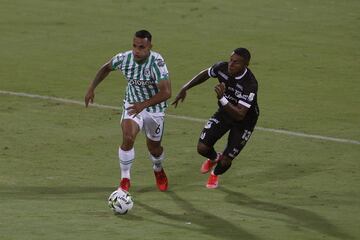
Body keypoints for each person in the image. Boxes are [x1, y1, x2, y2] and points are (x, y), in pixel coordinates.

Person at [85, 30, 171, 192]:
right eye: (134, 46)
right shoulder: (124, 59)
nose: (137, 50)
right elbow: (106, 68)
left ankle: (158, 169)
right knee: (128, 137)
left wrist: (143, 105)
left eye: (141, 47)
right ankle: (125, 179)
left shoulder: (156, 62)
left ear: (150, 47)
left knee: (154, 148)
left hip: (154, 110)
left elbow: (166, 92)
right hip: (132, 105)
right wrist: (91, 88)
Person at [172, 48, 259, 189]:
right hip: (225, 113)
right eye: (231, 60)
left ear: (246, 64)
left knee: (225, 161)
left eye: (236, 62)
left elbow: (240, 114)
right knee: (202, 148)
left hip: (244, 122)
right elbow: (205, 74)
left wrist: (222, 98)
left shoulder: (250, 84)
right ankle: (214, 158)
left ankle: (215, 173)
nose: (231, 64)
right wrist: (185, 87)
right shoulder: (222, 67)